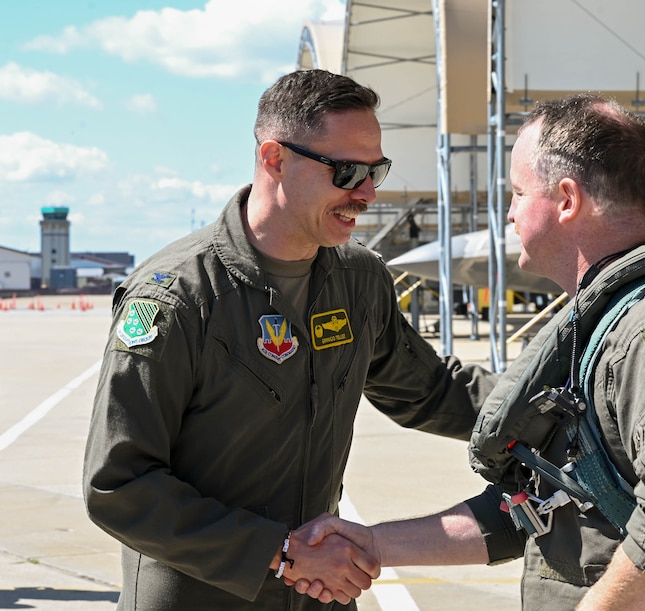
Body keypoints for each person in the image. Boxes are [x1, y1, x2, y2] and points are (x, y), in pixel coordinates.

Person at [296, 94, 645, 610]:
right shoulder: (600, 330)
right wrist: (373, 544)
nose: (509, 214)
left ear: (566, 199)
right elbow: (545, 506)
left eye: (516, 193)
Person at [82, 69, 497, 610]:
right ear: (275, 159)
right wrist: (278, 553)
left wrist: (564, 412)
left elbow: (432, 391)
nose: (368, 193)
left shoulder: (358, 280)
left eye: (376, 170)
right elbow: (119, 483)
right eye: (347, 172)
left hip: (321, 593)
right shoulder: (179, 298)